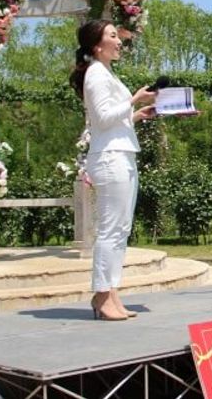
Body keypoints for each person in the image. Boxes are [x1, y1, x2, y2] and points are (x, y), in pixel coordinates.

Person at [69, 20, 156, 321]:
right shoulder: (95, 73)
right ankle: (102, 295)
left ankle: (111, 293)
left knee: (120, 229)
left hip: (122, 153)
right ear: (97, 45)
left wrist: (137, 115)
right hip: (109, 157)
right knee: (110, 229)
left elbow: (114, 120)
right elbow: (103, 119)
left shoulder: (106, 73)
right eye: (112, 36)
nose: (119, 41)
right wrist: (135, 99)